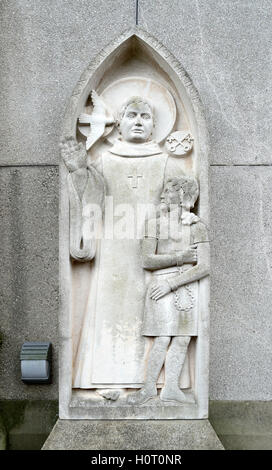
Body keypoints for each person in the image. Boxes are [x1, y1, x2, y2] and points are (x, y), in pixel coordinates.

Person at [65, 96, 184, 389]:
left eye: (146, 116)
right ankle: (107, 378)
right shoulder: (103, 161)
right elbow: (88, 203)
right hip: (113, 257)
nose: (139, 121)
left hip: (153, 257)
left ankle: (154, 383)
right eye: (132, 115)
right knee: (110, 312)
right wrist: (80, 171)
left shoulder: (167, 163)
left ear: (156, 126)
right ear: (119, 124)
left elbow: (184, 202)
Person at [127, 176, 209, 404]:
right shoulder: (154, 224)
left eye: (167, 191)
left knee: (183, 338)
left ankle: (171, 387)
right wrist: (179, 258)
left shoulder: (197, 226)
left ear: (182, 195)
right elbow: (146, 260)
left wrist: (174, 283)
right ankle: (148, 388)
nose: (162, 195)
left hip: (184, 286)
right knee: (162, 338)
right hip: (159, 285)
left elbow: (204, 265)